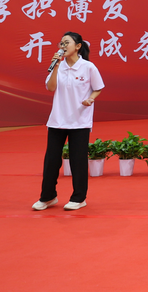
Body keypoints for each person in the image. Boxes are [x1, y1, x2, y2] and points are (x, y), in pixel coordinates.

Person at [32, 32, 104, 212]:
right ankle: (48, 197)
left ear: (78, 46)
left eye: (67, 42)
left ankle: (79, 198)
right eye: (61, 43)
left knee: (78, 161)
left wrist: (90, 99)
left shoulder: (88, 67)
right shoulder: (59, 65)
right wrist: (56, 65)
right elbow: (51, 87)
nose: (63, 46)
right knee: (51, 161)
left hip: (79, 121)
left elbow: (98, 88)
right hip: (57, 120)